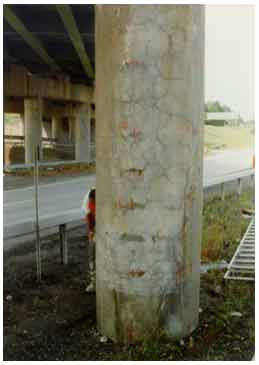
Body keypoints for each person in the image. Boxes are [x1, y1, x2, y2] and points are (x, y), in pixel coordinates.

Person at [82, 187, 96, 292]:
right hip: (95, 226)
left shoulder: (107, 197)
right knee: (92, 255)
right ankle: (94, 283)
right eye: (92, 203)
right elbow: (88, 216)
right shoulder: (87, 199)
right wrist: (91, 231)